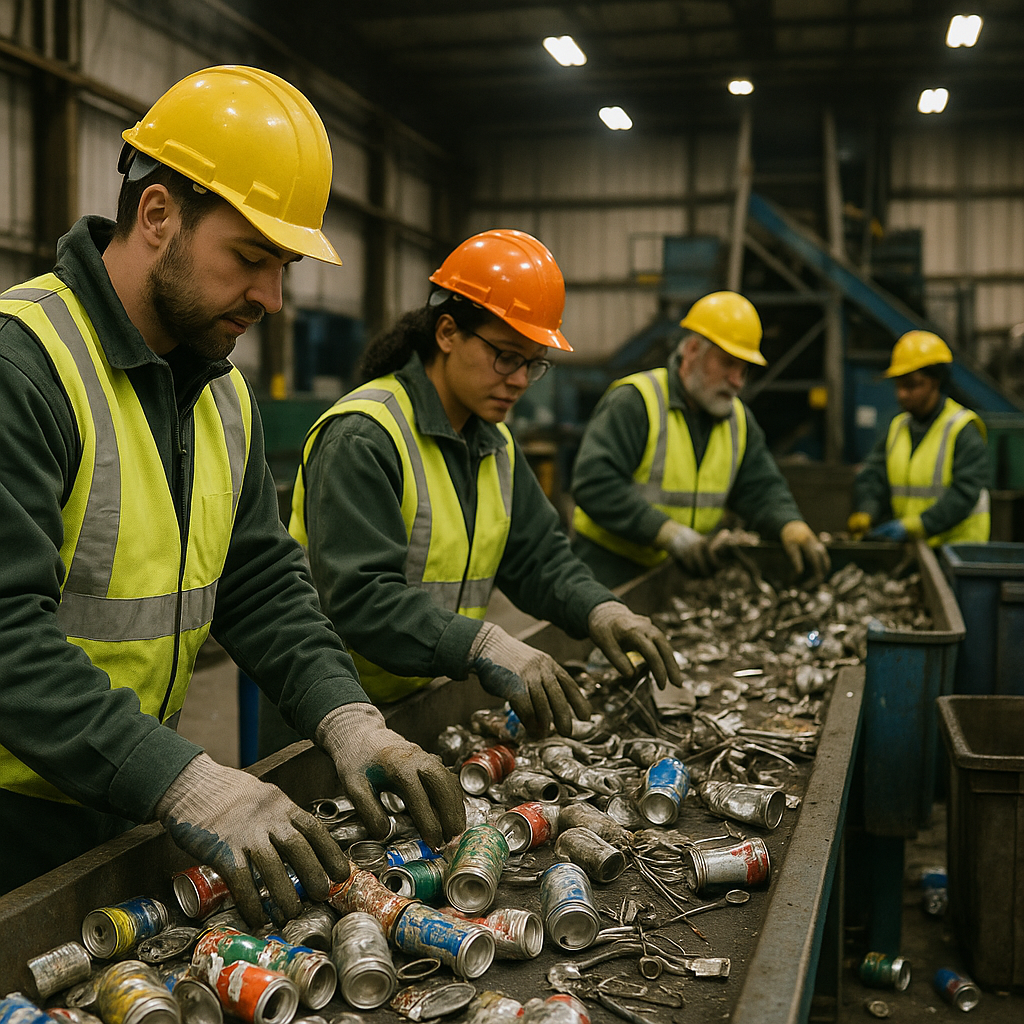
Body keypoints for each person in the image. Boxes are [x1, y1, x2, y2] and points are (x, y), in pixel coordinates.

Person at [0, 66, 464, 921]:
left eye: (281, 264)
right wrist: (186, 780)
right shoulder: (23, 368)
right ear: (158, 216)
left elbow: (259, 584)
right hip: (13, 820)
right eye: (251, 259)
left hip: (121, 798)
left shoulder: (220, 391)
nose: (273, 297)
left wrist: (347, 718)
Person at [289, 229, 684, 738]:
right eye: (506, 357)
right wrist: (483, 645)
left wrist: (599, 608)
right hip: (332, 710)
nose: (520, 379)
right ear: (448, 332)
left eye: (533, 363)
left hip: (421, 695)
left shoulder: (494, 443)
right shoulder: (365, 436)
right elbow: (361, 599)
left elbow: (539, 559)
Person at [571, 291, 831, 589]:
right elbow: (595, 484)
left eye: (743, 369)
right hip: (608, 573)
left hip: (677, 576)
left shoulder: (738, 421)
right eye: (727, 364)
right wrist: (668, 533)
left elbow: (761, 487)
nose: (737, 381)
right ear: (693, 350)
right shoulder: (636, 403)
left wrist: (790, 525)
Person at [848, 330, 990, 544]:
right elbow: (873, 474)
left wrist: (917, 525)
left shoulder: (962, 429)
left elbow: (964, 493)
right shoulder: (898, 427)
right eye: (898, 385)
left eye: (911, 385)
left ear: (936, 382)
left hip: (958, 555)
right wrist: (866, 511)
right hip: (914, 549)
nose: (901, 394)